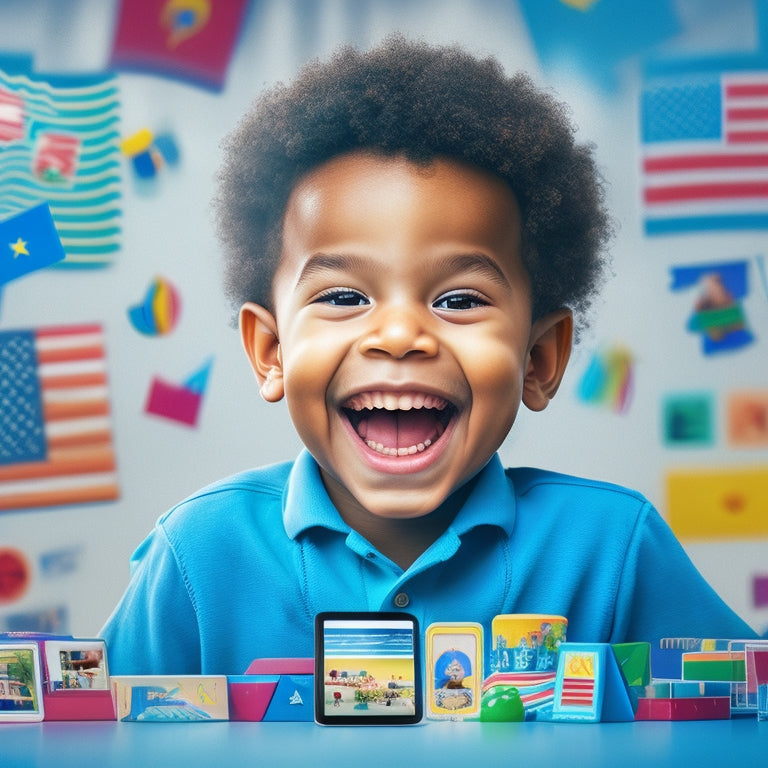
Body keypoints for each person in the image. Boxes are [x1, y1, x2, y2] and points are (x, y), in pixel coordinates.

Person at [101, 36, 756, 676]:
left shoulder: (614, 549)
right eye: (345, 295)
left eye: (460, 300)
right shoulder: (196, 555)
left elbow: (744, 721)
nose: (399, 335)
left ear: (539, 358)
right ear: (271, 351)